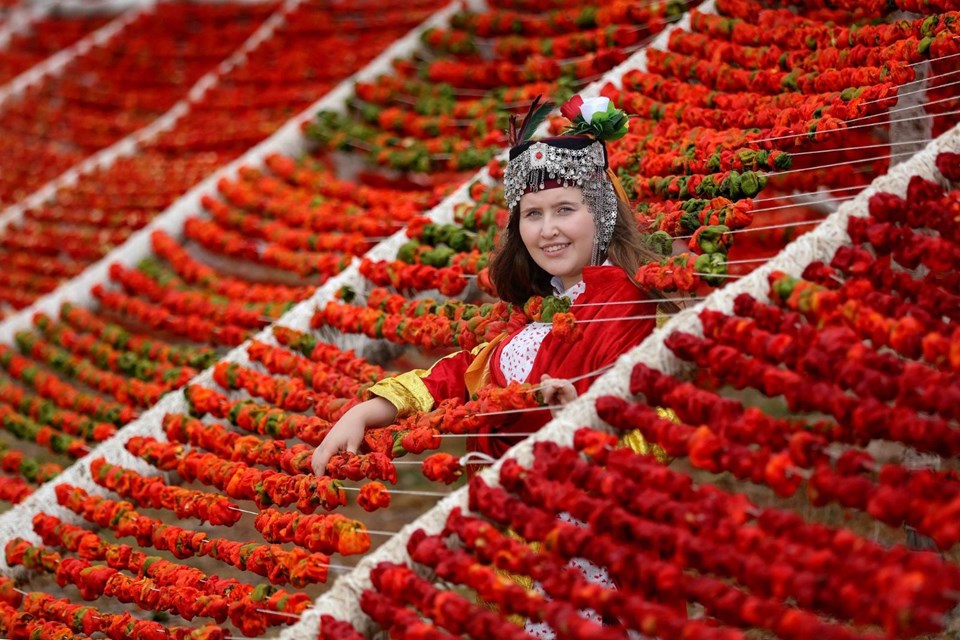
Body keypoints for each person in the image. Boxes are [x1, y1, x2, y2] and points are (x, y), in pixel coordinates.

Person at [311, 94, 665, 476]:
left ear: (602, 213)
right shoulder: (539, 307)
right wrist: (368, 411)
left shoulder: (626, 306)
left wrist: (581, 417)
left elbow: (658, 429)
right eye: (532, 214)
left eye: (565, 209)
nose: (548, 231)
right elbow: (461, 375)